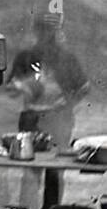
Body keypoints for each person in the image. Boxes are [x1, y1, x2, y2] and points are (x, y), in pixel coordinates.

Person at [7, 11, 90, 148]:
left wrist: (67, 104)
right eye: (41, 29)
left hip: (59, 120)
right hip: (31, 120)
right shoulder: (26, 57)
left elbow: (83, 87)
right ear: (35, 31)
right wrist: (21, 86)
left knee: (57, 163)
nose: (45, 35)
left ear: (55, 33)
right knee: (31, 160)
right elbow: (11, 90)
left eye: (49, 30)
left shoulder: (67, 59)